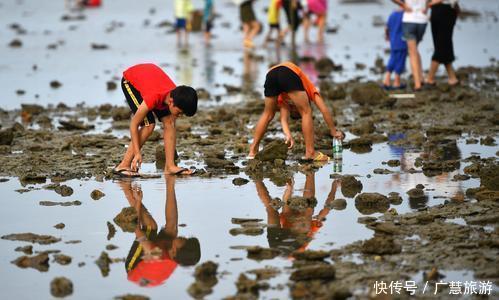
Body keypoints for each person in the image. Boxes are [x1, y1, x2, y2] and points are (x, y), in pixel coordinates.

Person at [113, 63, 198, 177]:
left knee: (169, 122)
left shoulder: (176, 96)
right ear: (171, 102)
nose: (180, 116)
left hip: (151, 76)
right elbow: (134, 124)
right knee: (149, 125)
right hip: (130, 81)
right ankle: (123, 165)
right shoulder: (153, 97)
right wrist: (137, 153)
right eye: (180, 112)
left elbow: (170, 121)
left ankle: (170, 166)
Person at [248, 61, 344, 161]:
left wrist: (288, 135)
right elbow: (324, 110)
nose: (293, 107)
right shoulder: (309, 90)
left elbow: (283, 119)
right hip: (287, 71)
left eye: (292, 109)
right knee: (306, 112)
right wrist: (333, 131)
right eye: (295, 109)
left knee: (268, 114)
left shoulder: (285, 102)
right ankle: (310, 152)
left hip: (271, 74)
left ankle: (253, 150)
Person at [121, 176, 201, 286]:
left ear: (174, 251)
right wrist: (171, 183)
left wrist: (138, 201)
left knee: (150, 226)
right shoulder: (177, 256)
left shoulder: (156, 254)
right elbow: (172, 221)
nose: (184, 237)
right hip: (155, 268)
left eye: (184, 241)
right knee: (172, 230)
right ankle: (169, 183)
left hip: (135, 269)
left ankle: (124, 186)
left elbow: (136, 227)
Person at [254, 173, 341, 254]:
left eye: (298, 226)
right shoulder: (310, 227)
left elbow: (284, 203)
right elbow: (328, 207)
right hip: (292, 247)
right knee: (308, 210)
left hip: (279, 244)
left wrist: (289, 188)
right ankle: (310, 173)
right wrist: (334, 187)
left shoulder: (288, 219)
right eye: (302, 225)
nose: (300, 220)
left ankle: (256, 177)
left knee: (271, 209)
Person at [392, 0, 428, 91]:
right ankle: (421, 78)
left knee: (412, 52)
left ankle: (417, 84)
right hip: (422, 21)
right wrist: (427, 7)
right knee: (415, 49)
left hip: (409, 20)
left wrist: (403, 5)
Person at [425, 0, 460, 86]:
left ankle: (430, 78)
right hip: (437, 10)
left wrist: (431, 3)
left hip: (446, 10)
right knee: (442, 45)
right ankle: (452, 78)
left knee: (441, 45)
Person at [383, 6, 408, 90]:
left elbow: (386, 28)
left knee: (392, 59)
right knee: (400, 60)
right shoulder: (405, 14)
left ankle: (386, 80)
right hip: (402, 41)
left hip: (393, 40)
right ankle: (396, 82)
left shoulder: (392, 14)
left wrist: (387, 37)